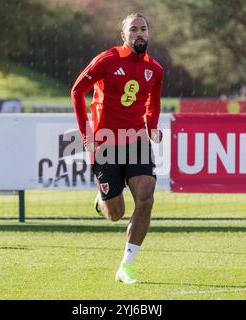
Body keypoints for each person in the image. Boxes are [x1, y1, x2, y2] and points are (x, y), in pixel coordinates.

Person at [71, 13, 163, 284]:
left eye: (143, 29)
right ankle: (102, 200)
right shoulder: (108, 60)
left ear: (149, 33)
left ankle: (127, 266)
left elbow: (153, 103)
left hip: (136, 140)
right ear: (124, 36)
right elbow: (77, 92)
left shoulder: (155, 69)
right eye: (133, 29)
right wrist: (86, 134)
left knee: (146, 197)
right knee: (116, 214)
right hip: (106, 142)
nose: (139, 34)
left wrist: (152, 126)